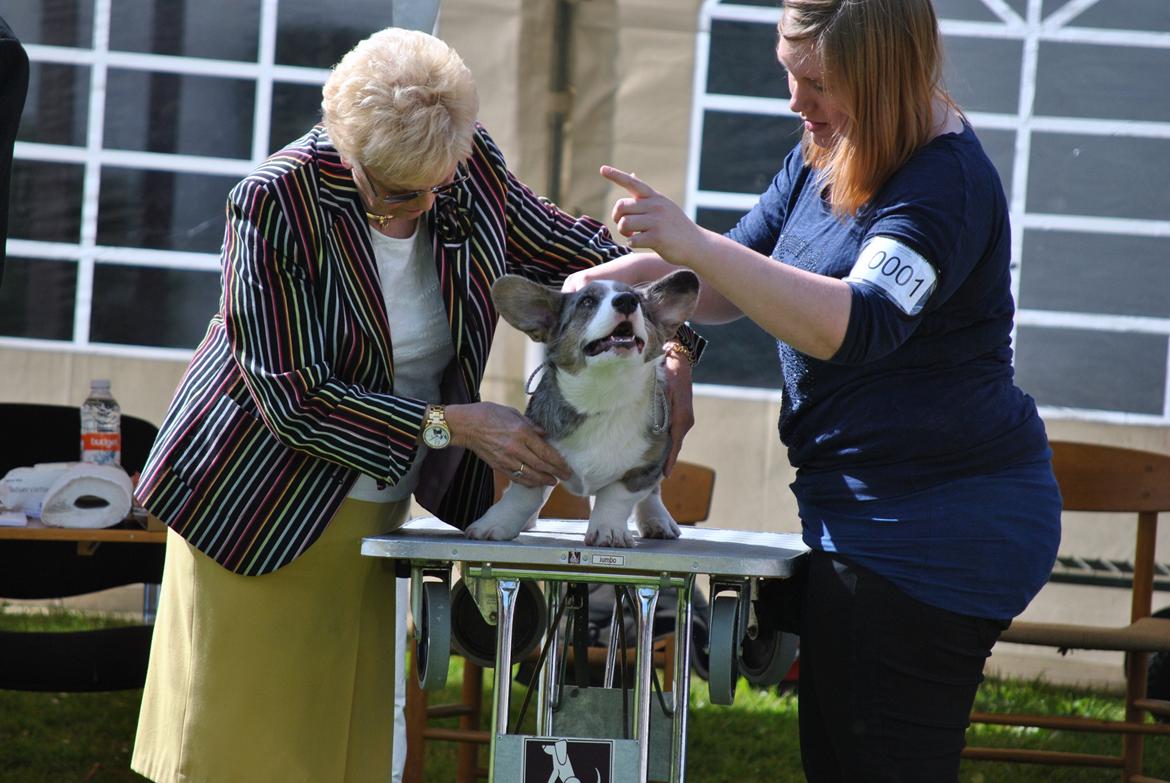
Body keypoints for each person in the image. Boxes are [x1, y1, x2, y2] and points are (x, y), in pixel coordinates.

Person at [130, 27, 700, 783]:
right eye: (399, 191)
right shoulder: (273, 202)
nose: (424, 204)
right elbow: (292, 398)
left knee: (357, 752)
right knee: (239, 752)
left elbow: (583, 257)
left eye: (438, 182)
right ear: (345, 149)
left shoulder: (465, 169)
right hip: (254, 505)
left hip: (377, 511)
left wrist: (675, 348)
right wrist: (451, 424)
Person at [567, 1, 1061, 780]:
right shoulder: (829, 144)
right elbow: (732, 276)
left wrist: (687, 241)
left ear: (883, 74)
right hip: (867, 517)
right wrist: (598, 288)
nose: (795, 101)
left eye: (817, 81)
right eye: (788, 73)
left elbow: (855, 324)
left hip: (934, 528)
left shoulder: (942, 184)